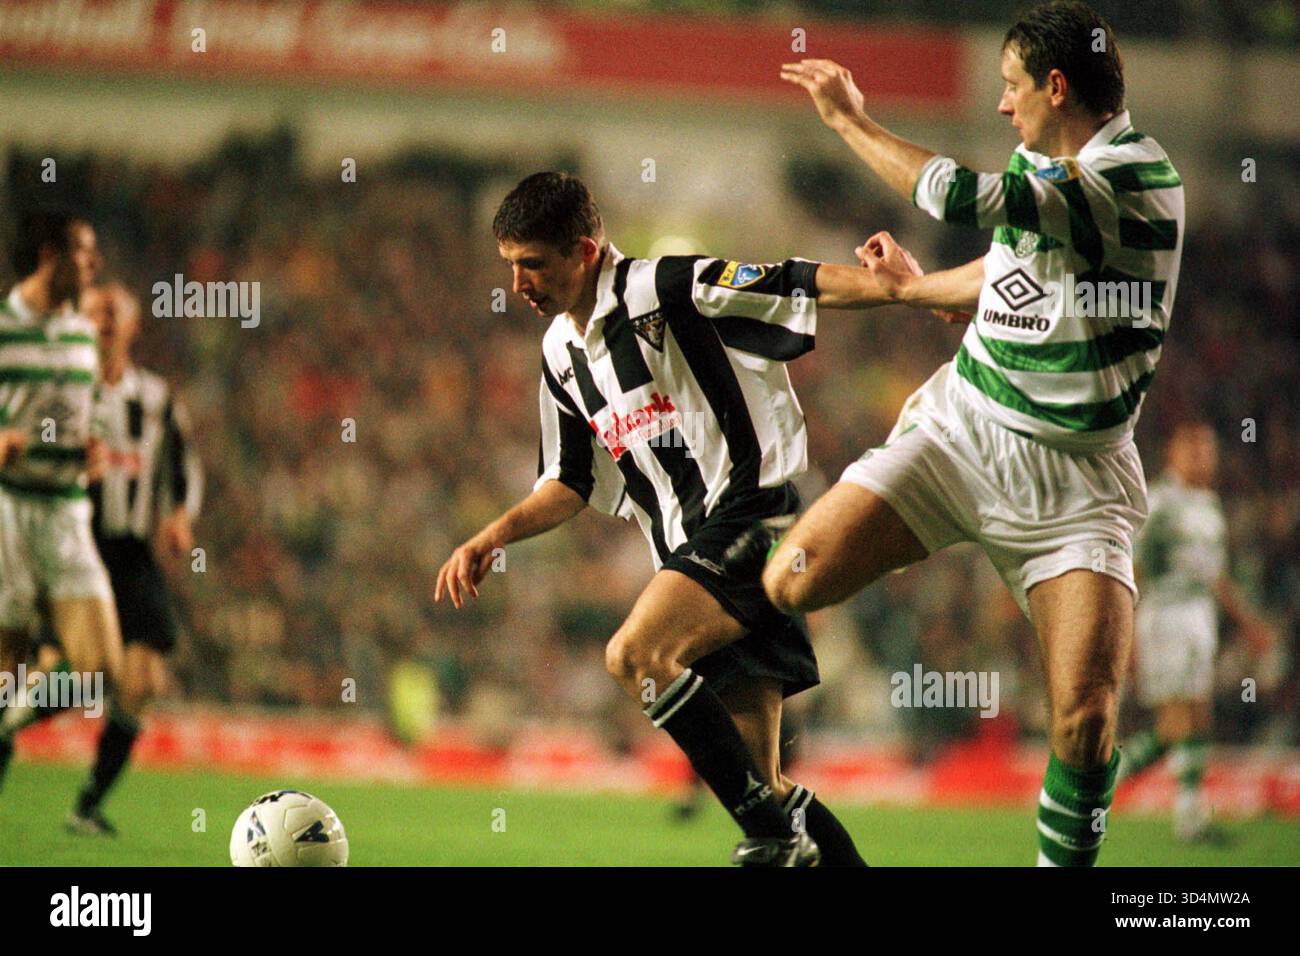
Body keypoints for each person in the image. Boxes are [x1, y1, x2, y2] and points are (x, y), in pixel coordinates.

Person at [754, 0, 1185, 865]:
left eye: (1012, 85)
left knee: (1085, 720)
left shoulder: (1133, 180)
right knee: (790, 580)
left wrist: (849, 121)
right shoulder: (1049, 166)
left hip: (1076, 486)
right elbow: (1009, 268)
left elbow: (963, 197)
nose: (1001, 102)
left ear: (1056, 87)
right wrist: (915, 291)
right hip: (963, 434)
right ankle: (767, 802)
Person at [435, 171, 909, 865]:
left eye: (532, 264)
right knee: (765, 783)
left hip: (757, 518)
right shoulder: (560, 353)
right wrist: (495, 533)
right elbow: (570, 480)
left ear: (585, 251)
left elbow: (793, 282)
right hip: (690, 553)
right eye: (510, 266)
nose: (518, 284)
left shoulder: (664, 286)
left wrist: (902, 289)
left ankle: (773, 839)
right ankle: (783, 834)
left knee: (635, 654)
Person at [0, 282, 204, 833]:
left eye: (115, 313)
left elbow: (183, 464)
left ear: (133, 326)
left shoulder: (156, 397)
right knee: (57, 672)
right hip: (69, 538)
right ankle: (9, 723)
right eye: (95, 312)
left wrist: (179, 514)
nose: (104, 322)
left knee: (142, 680)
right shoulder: (63, 387)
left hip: (130, 552)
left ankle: (87, 804)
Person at [0, 212, 122, 791]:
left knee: (99, 668)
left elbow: (87, 410)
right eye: (83, 251)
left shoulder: (80, 334)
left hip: (67, 513)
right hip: (9, 510)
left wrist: (94, 448)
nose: (94, 263)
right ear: (50, 256)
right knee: (7, 669)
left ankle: (9, 723)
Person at [1116, 421, 1276, 842]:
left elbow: (1214, 575)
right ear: (1173, 455)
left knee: (1196, 717)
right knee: (1176, 722)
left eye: (1208, 450)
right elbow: (1134, 569)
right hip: (1166, 615)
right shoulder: (1160, 502)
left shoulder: (1208, 504)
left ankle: (1188, 818)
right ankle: (1107, 787)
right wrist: (1127, 634)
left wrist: (1248, 623)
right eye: (1194, 450)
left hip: (1200, 617)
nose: (1203, 458)